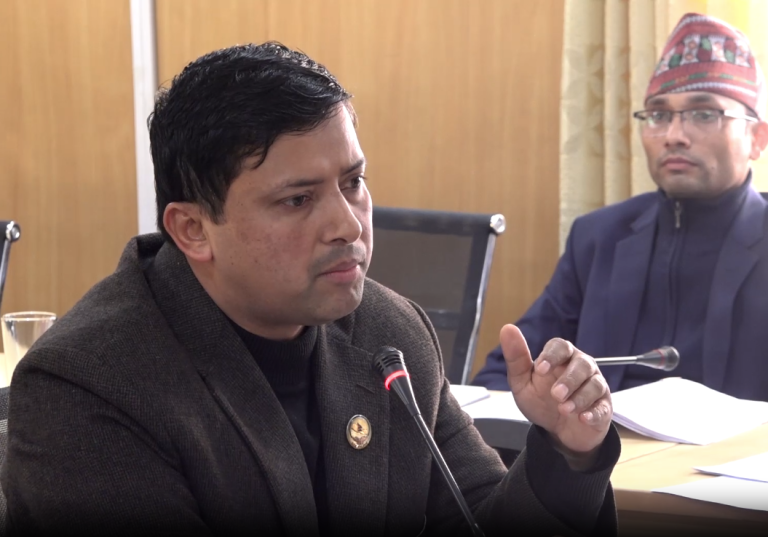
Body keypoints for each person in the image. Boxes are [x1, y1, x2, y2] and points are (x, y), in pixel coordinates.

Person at [1, 43, 619, 536]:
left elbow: (477, 518)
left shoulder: (390, 333)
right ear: (193, 229)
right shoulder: (88, 386)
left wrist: (569, 454)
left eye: (353, 183)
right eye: (298, 200)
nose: (348, 225)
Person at [474, 13, 768, 402]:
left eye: (703, 114)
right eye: (659, 115)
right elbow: (505, 376)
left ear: (757, 138)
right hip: (603, 442)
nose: (674, 135)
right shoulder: (600, 238)